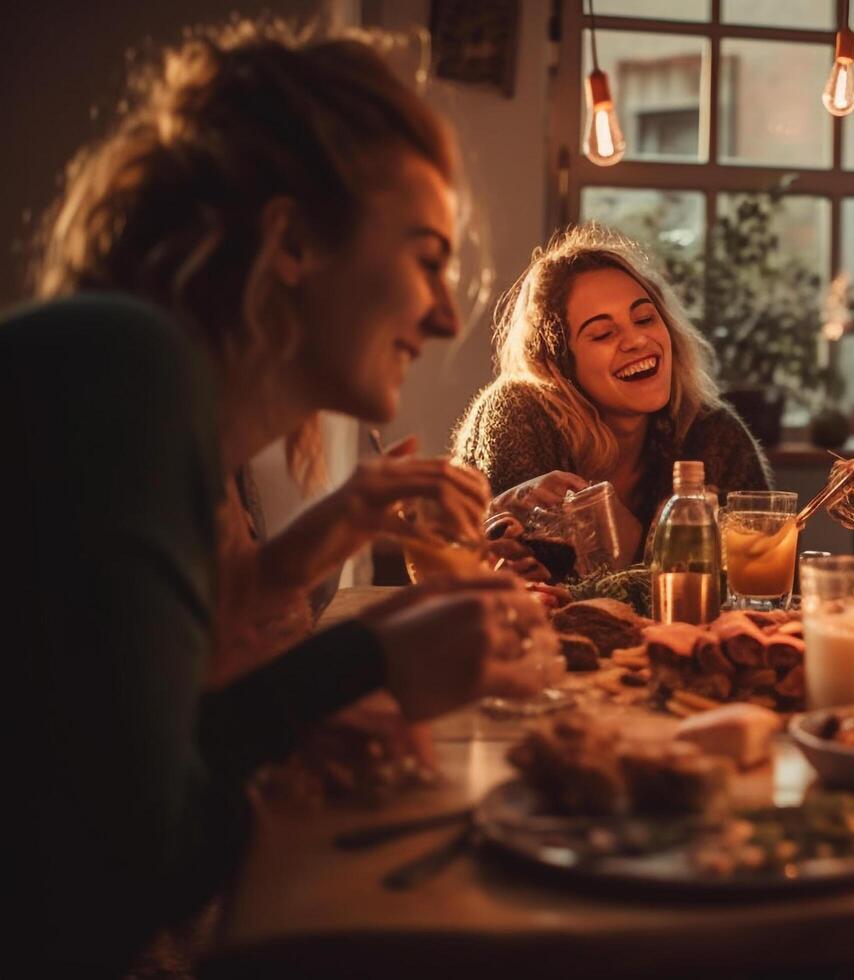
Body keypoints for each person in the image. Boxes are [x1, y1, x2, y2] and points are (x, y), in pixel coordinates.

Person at [6, 21, 549, 973]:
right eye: (427, 255)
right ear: (293, 242)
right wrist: (362, 657)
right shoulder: (126, 374)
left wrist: (290, 718)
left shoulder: (156, 394)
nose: (449, 312)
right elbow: (131, 874)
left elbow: (111, 773)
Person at [453, 224, 771, 575]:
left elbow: (757, 572)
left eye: (645, 318)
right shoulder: (517, 412)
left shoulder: (713, 432)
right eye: (603, 333)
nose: (636, 340)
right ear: (561, 363)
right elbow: (533, 576)